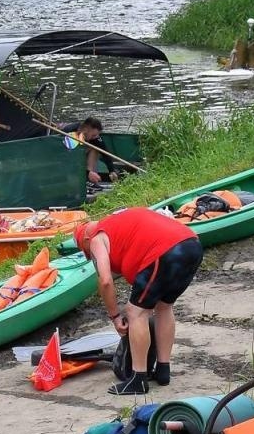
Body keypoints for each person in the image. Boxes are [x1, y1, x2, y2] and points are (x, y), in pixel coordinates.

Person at [75, 209, 202, 395]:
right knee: (164, 306)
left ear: (85, 240)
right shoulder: (117, 223)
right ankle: (163, 371)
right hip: (192, 245)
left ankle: (138, 379)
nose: (89, 257)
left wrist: (115, 317)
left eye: (86, 253)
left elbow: (105, 281)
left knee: (136, 312)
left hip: (165, 251)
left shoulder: (95, 238)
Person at [65, 116, 111, 184]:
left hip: (81, 156)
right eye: (93, 135)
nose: (96, 137)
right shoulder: (69, 132)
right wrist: (88, 173)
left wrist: (111, 170)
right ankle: (87, 176)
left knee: (95, 148)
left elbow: (105, 152)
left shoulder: (95, 138)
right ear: (85, 130)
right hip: (68, 159)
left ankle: (89, 179)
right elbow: (69, 160)